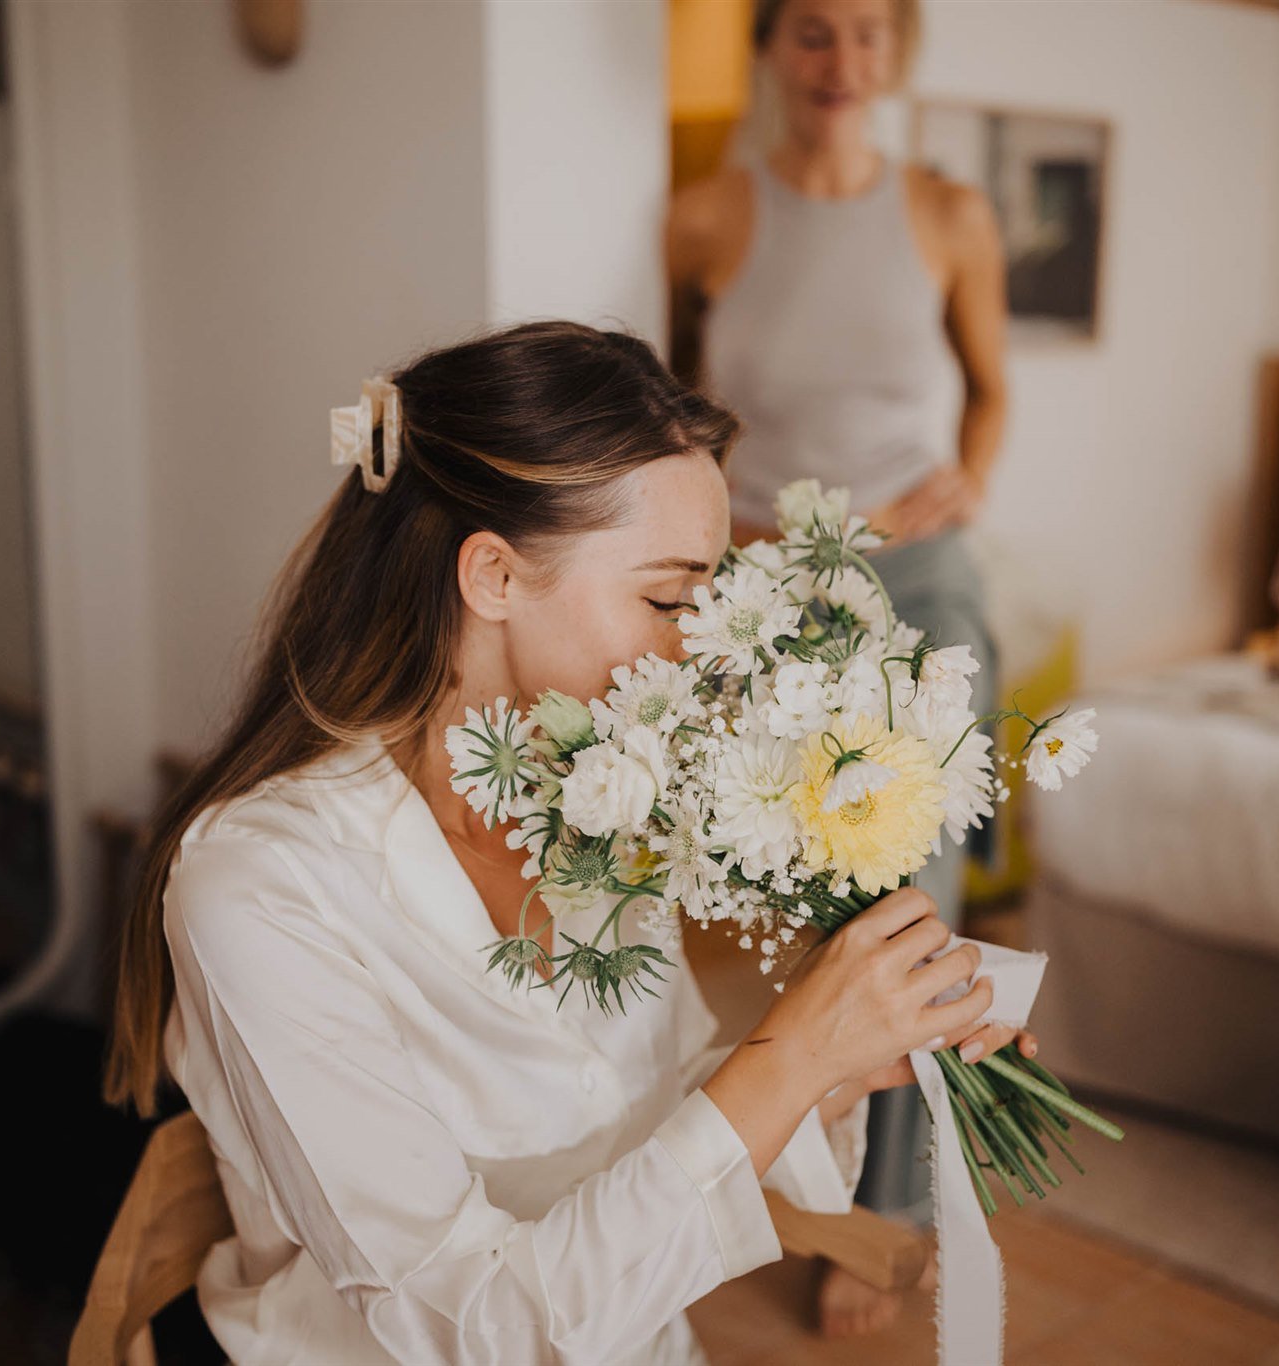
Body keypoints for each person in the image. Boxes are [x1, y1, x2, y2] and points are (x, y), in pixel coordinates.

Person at [102, 322, 1030, 1366]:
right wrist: (794, 1052)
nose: (700, 652)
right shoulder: (262, 885)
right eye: (667, 598)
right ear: (493, 576)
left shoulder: (604, 803)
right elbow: (465, 1325)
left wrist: (851, 1056)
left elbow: (672, 1123)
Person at [665, 0, 1009, 1332]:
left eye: (869, 34)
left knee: (910, 902)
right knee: (800, 902)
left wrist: (975, 472)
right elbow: (670, 406)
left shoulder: (951, 214)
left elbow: (990, 383)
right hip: (766, 591)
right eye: (813, 31)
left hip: (921, 590)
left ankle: (890, 1221)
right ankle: (791, 1165)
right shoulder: (700, 216)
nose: (841, 62)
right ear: (769, 50)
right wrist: (709, 531)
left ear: (898, 56)